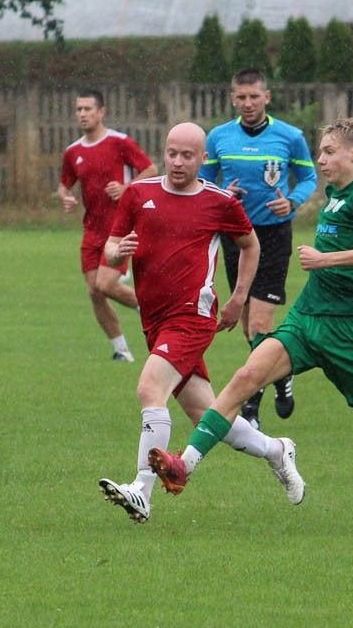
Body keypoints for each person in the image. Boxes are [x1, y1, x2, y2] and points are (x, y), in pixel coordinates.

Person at [148, 119, 353, 528]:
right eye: (320, 151)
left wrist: (325, 259)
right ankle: (184, 466)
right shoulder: (334, 195)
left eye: (329, 151)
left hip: (346, 331)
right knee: (246, 376)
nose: (320, 159)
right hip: (307, 317)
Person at [97, 122, 304, 523]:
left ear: (203, 159)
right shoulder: (140, 194)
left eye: (187, 155)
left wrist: (239, 297)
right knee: (208, 416)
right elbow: (109, 248)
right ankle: (278, 450)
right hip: (155, 320)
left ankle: (142, 489)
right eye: (172, 153)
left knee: (149, 388)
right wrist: (116, 251)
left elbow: (250, 244)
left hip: (192, 315)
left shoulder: (219, 201)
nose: (177, 162)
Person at [203, 68, 317, 429]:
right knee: (249, 326)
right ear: (232, 98)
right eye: (241, 97)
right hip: (236, 237)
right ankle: (281, 374)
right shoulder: (219, 137)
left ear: (267, 97)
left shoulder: (290, 136)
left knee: (261, 321)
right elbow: (204, 180)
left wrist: (293, 201)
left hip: (272, 236)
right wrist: (223, 194)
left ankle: (251, 407)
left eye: (255, 96)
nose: (248, 103)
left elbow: (310, 177)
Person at [58, 89, 158, 362]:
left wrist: (127, 187)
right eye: (79, 109)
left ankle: (152, 310)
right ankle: (121, 350)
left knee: (105, 284)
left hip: (120, 227)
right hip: (91, 230)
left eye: (88, 109)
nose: (82, 114)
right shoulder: (73, 151)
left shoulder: (119, 142)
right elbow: (64, 184)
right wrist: (65, 198)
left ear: (101, 112)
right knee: (94, 292)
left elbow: (150, 170)